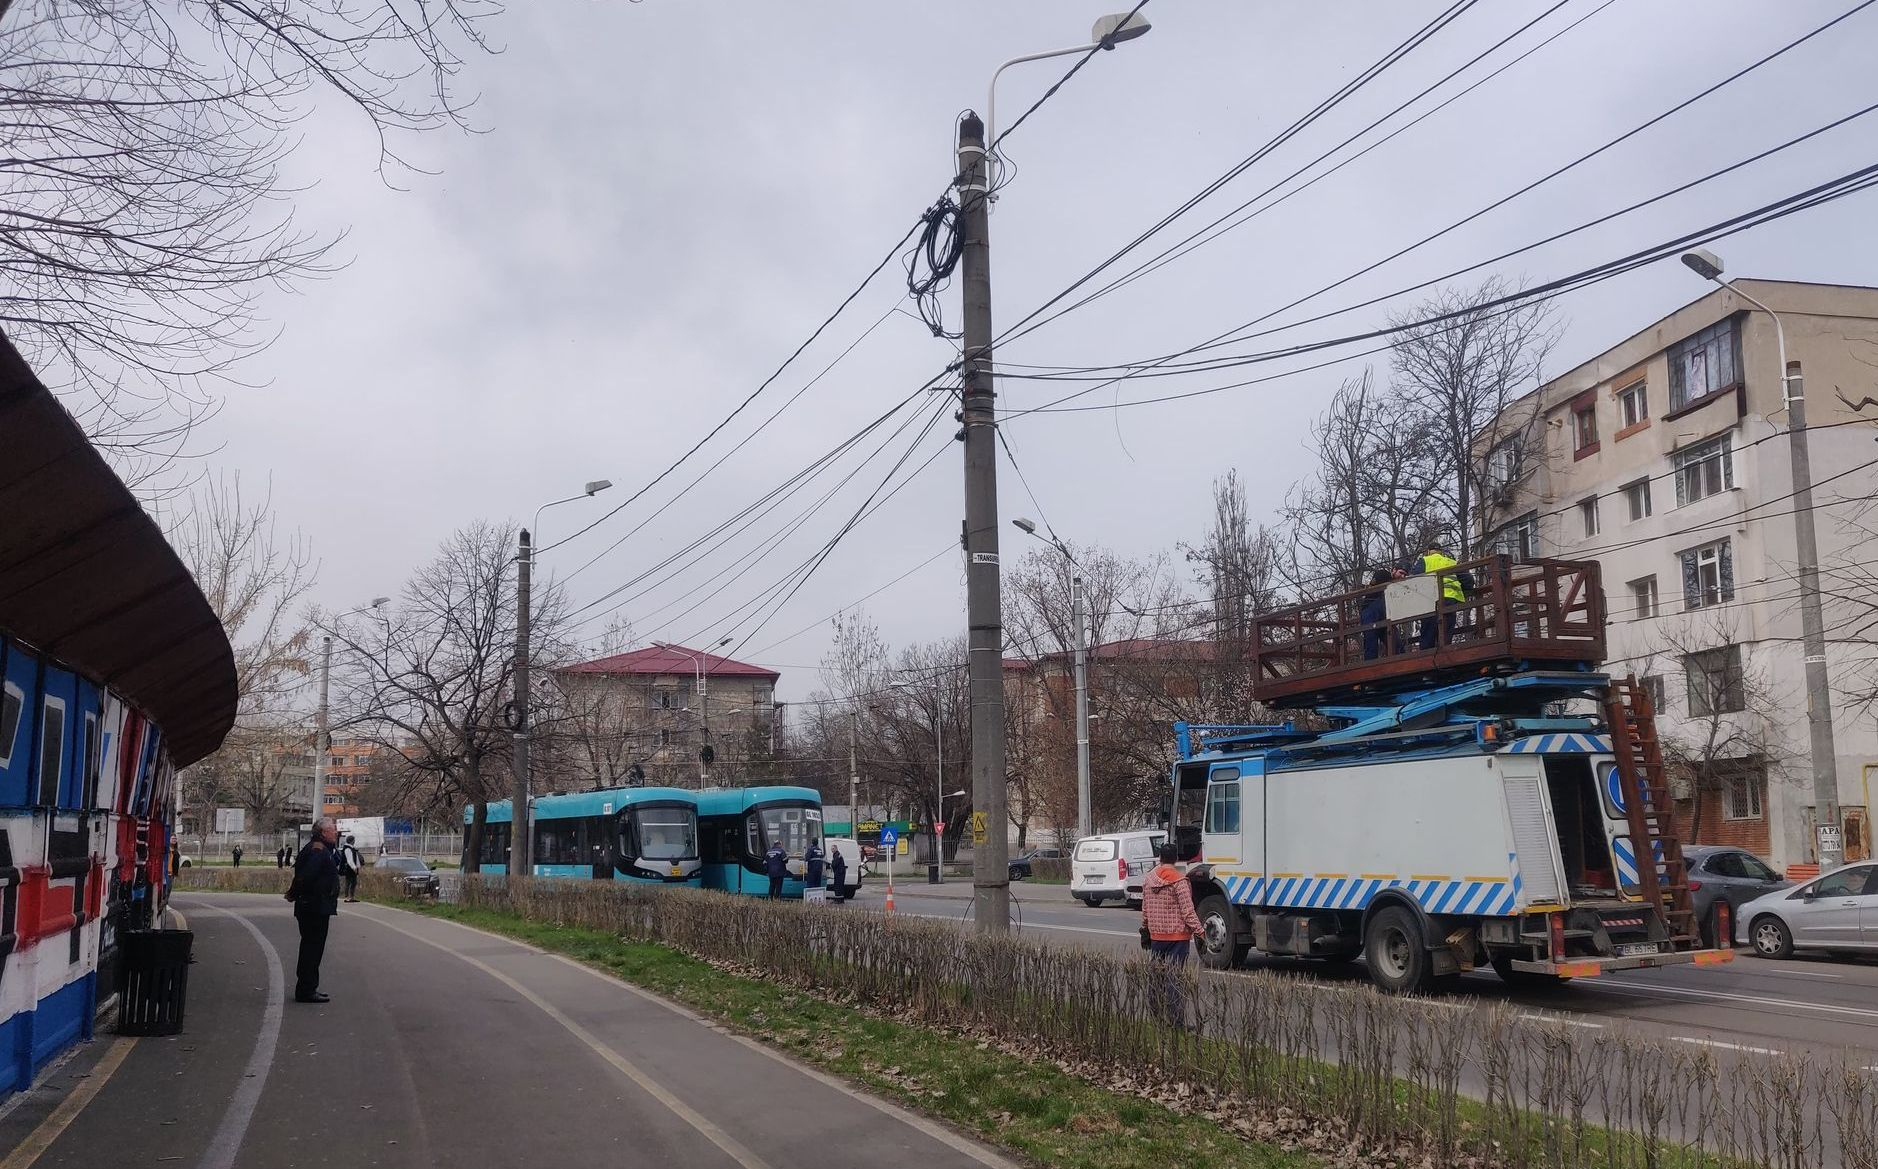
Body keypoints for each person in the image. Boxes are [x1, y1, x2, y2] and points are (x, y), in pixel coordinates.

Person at [1141, 843, 1204, 1022]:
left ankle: (1156, 1015)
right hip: (1177, 937)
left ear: (1160, 858)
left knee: (1156, 976)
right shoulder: (1179, 881)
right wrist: (1200, 932)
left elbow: (1145, 909)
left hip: (1156, 936)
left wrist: (1145, 928)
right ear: (1176, 859)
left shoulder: (1149, 879)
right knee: (1174, 978)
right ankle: (1176, 1020)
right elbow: (1188, 911)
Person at [286, 817, 341, 1004]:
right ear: (324, 832)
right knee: (312, 949)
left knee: (313, 948)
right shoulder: (318, 850)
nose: (336, 832)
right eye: (333, 829)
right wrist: (294, 893)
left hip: (315, 906)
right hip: (314, 907)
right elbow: (306, 876)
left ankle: (309, 987)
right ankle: (306, 989)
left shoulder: (321, 849)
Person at [1398, 540, 1473, 650]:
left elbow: (1413, 579)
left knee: (1428, 634)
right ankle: (1446, 657)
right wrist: (1463, 593)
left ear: (1428, 552)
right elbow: (1469, 579)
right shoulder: (1451, 562)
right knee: (1446, 633)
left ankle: (1427, 658)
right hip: (1449, 601)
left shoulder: (1424, 561)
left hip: (1430, 601)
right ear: (1440, 552)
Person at [1359, 569, 1398, 661]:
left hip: (1383, 615)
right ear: (1394, 570)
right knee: (1371, 645)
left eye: (1405, 574)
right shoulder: (1383, 574)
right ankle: (1370, 668)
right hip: (1370, 612)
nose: (1403, 576)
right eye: (1401, 573)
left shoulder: (1397, 586)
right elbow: (1373, 585)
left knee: (1396, 644)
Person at [339, 834, 364, 903]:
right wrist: (354, 867)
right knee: (349, 882)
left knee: (353, 882)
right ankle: (347, 897)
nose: (354, 841)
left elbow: (356, 859)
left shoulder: (352, 848)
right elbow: (349, 859)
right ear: (351, 841)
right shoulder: (347, 848)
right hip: (349, 868)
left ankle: (351, 897)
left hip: (352, 867)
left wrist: (358, 866)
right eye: (354, 840)